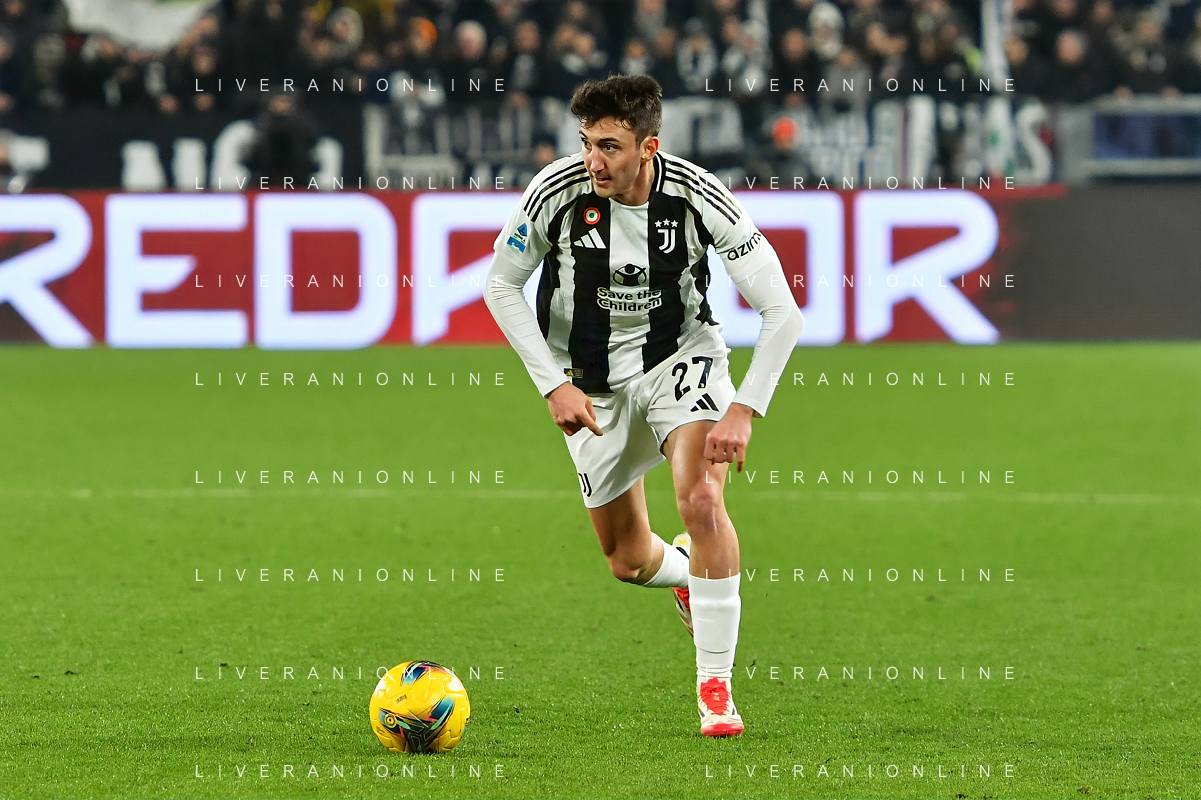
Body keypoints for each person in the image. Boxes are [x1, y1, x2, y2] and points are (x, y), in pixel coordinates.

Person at [483, 74, 803, 738]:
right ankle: (689, 577)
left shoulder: (698, 197)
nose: (592, 160)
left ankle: (715, 687)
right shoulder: (555, 192)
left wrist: (743, 409)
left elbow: (782, 312)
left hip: (678, 360)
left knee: (702, 500)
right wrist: (552, 384)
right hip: (590, 384)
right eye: (586, 143)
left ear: (648, 147)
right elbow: (500, 287)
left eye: (609, 146)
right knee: (626, 561)